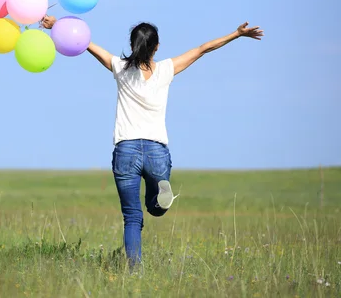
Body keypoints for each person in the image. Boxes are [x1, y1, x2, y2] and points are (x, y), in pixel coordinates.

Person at [41, 16, 264, 268]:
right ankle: (159, 196)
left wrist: (56, 24)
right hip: (156, 150)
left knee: (133, 217)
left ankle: (135, 270)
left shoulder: (119, 67)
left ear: (132, 44)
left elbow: (84, 42)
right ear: (156, 47)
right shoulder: (167, 69)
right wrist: (236, 34)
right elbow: (203, 49)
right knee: (156, 208)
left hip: (126, 150)